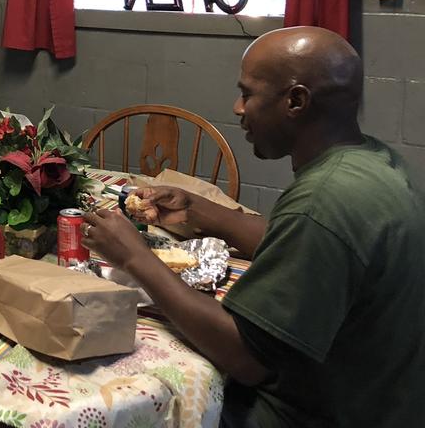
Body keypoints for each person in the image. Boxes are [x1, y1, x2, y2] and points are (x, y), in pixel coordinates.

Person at [81, 26, 425, 427]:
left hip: (315, 413)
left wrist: (135, 258)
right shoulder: (371, 163)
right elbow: (293, 242)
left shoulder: (323, 201)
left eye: (248, 94)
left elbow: (245, 358)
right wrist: (197, 208)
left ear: (295, 101)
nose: (237, 108)